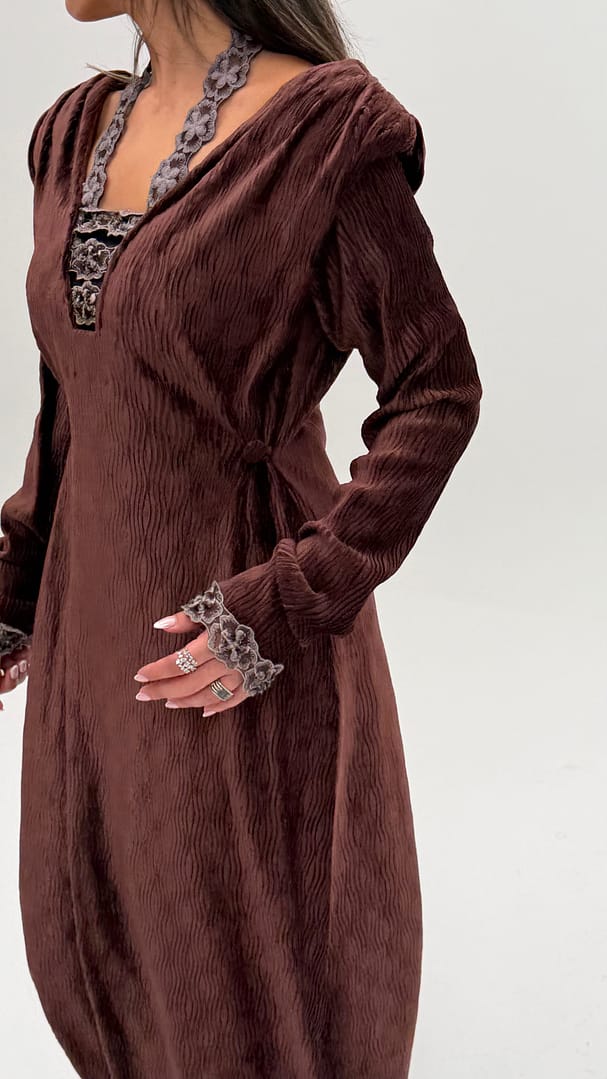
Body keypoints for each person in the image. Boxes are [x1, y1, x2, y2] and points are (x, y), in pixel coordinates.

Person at [0, 1, 482, 1076]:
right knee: (96, 951)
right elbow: (77, 395)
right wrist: (13, 583)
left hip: (237, 649)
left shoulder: (325, 136)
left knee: (247, 996)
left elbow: (436, 389)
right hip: (92, 641)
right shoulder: (74, 132)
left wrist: (288, 600)